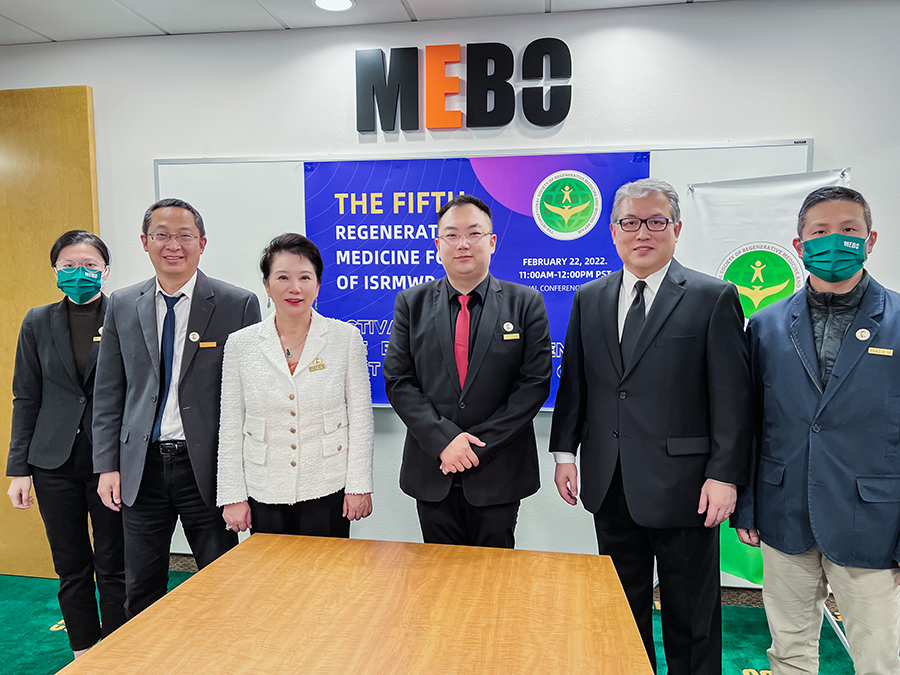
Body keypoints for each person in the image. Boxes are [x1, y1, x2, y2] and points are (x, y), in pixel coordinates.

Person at [549, 178, 752, 675]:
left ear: (676, 229)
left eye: (656, 221)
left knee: (691, 617)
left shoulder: (712, 297)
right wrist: (564, 454)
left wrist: (724, 475)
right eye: (630, 222)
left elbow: (733, 398)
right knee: (620, 611)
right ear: (613, 231)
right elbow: (576, 382)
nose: (643, 232)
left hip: (687, 487)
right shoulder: (590, 297)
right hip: (610, 481)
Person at [733, 186, 900, 675]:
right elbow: (750, 423)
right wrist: (748, 504)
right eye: (820, 231)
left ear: (870, 240)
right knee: (789, 650)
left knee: (879, 657)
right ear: (799, 244)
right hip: (785, 514)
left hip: (873, 522)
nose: (834, 240)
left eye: (848, 230)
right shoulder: (765, 325)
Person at [92, 198, 261, 618]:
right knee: (141, 586)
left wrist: (241, 480)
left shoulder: (237, 304)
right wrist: (107, 465)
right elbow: (109, 391)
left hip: (206, 468)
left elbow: (251, 399)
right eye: (162, 235)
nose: (173, 245)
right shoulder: (122, 304)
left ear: (202, 243)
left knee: (221, 581)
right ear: (145, 242)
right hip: (141, 467)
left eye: (185, 235)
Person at [383, 194, 552, 549]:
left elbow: (533, 385)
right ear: (438, 245)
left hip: (499, 472)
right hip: (434, 468)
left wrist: (474, 446)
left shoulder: (526, 303)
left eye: (474, 233)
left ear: (492, 242)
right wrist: (445, 441)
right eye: (452, 235)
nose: (463, 244)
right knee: (439, 575)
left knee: (494, 576)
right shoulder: (411, 303)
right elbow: (399, 381)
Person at [6, 230, 126, 658]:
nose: (80, 273)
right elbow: (26, 396)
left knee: (114, 563)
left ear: (105, 271)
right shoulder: (37, 321)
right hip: (51, 461)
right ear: (55, 270)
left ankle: (118, 650)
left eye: (90, 265)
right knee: (71, 565)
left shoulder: (124, 315)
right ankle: (84, 652)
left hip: (109, 461)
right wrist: (18, 469)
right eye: (69, 266)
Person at [216, 234, 374, 535]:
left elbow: (361, 419)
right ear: (266, 285)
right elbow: (231, 425)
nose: (295, 288)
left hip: (328, 484)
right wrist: (232, 496)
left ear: (318, 284)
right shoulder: (240, 344)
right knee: (271, 565)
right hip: (264, 486)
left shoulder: (345, 338)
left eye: (305, 277)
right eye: (283, 277)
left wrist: (359, 485)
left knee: (327, 564)